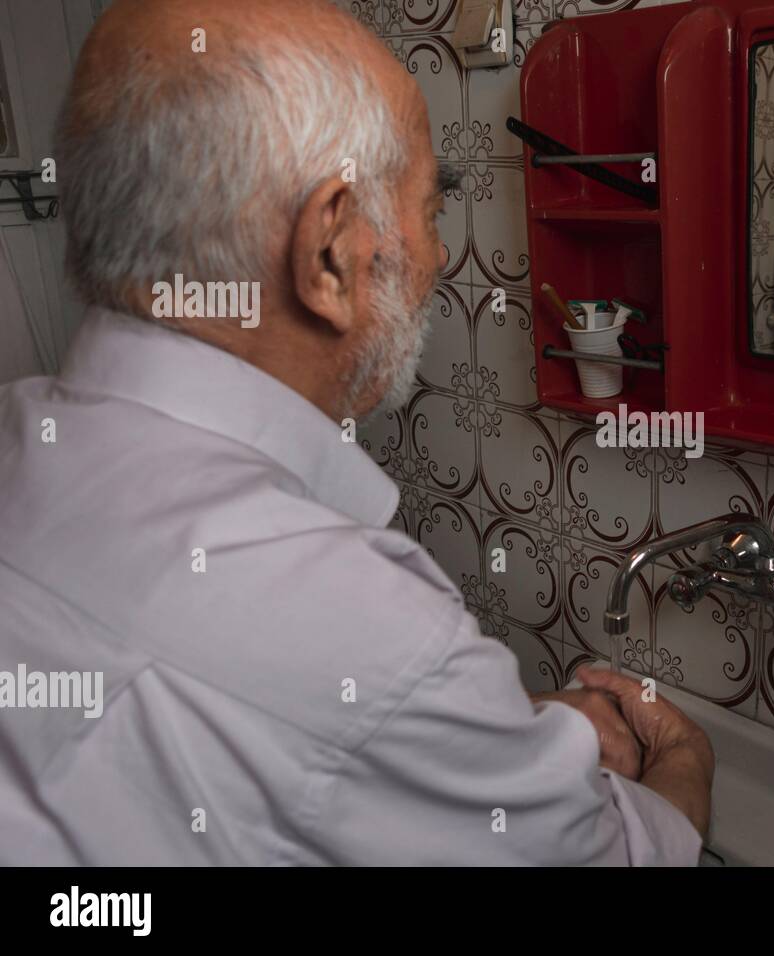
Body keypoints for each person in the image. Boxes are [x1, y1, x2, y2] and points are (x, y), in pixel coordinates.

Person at [0, 0, 711, 865]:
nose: (440, 256)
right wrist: (684, 758)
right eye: (428, 209)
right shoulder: (361, 626)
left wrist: (497, 734)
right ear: (331, 254)